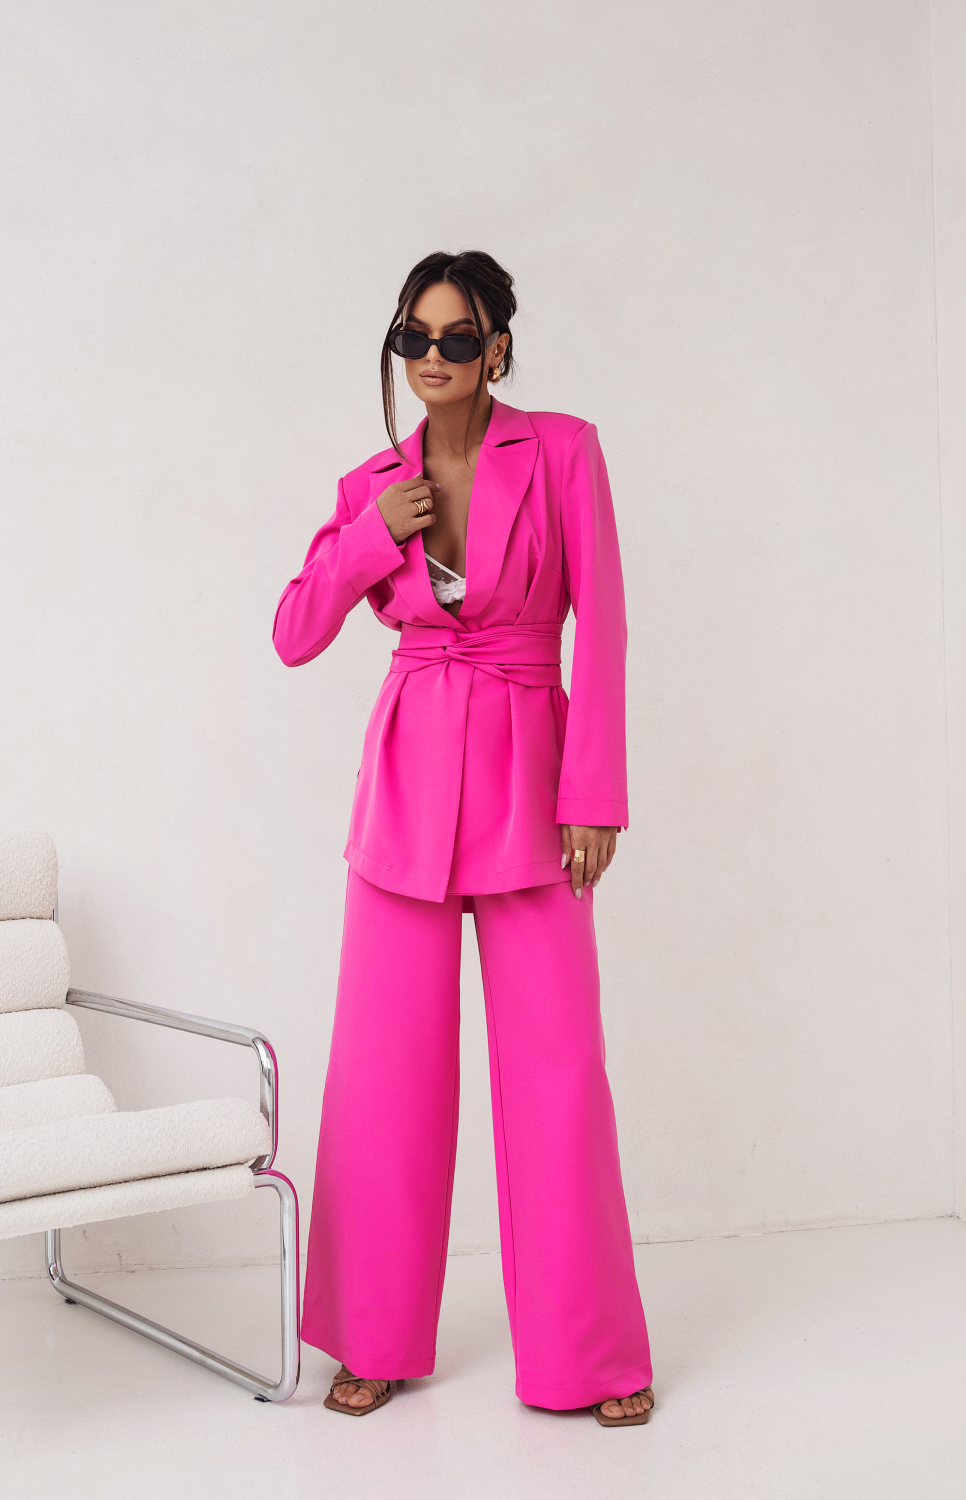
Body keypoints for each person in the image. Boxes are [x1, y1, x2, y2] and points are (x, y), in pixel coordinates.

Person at [273, 250, 654, 1427]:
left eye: (454, 338)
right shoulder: (372, 484)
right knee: (384, 1076)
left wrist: (593, 795)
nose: (431, 358)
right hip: (405, 794)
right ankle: (371, 1339)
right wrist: (368, 537)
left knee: (557, 1077)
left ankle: (592, 1358)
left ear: (496, 348)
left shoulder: (565, 451)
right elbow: (293, 633)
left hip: (533, 793)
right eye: (413, 338)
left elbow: (604, 623)